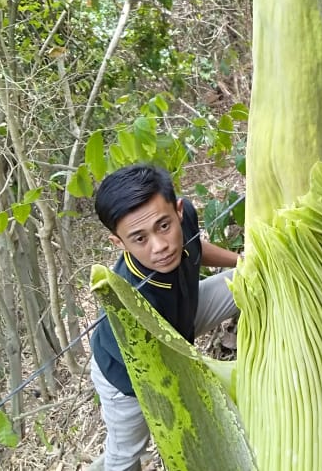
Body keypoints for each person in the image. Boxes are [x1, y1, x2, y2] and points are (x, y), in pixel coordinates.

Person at [88, 164, 239, 471]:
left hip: (183, 317)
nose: (160, 246)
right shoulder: (128, 299)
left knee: (250, 279)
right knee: (126, 453)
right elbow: (174, 369)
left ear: (178, 211)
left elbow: (195, 246)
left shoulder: (185, 221)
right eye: (139, 239)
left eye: (163, 226)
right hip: (129, 377)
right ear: (119, 243)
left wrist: (244, 261)